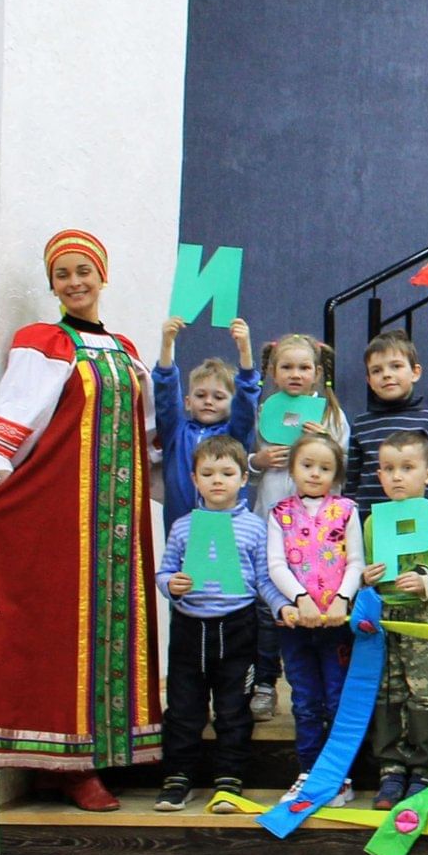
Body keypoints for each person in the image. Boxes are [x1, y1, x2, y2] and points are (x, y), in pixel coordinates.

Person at [0, 231, 161, 811]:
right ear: (53, 286)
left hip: (120, 521)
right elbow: (15, 412)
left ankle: (105, 752)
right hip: (65, 512)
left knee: (114, 628)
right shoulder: (44, 342)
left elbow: (147, 433)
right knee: (65, 630)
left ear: (102, 276)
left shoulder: (126, 350)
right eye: (62, 275)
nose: (74, 282)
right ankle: (69, 766)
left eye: (83, 271)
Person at [153, 437, 288, 812]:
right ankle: (178, 778)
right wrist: (171, 585)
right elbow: (165, 572)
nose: (217, 480)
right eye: (208, 473)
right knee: (183, 708)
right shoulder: (183, 527)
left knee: (233, 708)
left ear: (243, 479)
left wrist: (283, 607)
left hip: (238, 628)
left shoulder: (255, 528)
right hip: (189, 629)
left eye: (227, 473)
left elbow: (264, 580)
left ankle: (229, 779)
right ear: (194, 479)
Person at [247, 332, 347, 724]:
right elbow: (244, 463)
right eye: (286, 367)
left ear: (317, 373)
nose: (295, 374)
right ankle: (265, 682)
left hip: (318, 534)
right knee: (268, 605)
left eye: (304, 367)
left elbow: (344, 466)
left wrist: (326, 444)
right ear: (273, 373)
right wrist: (257, 460)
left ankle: (321, 686)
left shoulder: (331, 415)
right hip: (271, 522)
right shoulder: (264, 411)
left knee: (313, 601)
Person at [359, 431, 428, 811]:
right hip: (385, 618)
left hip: (427, 617)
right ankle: (390, 770)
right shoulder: (373, 523)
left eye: (407, 468)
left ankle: (423, 769)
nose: (397, 476)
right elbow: (362, 568)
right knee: (388, 692)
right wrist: (365, 578)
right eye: (388, 469)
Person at [267, 433, 363, 808]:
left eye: (325, 468)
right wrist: (300, 599)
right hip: (296, 627)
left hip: (336, 625)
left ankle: (340, 776)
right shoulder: (279, 513)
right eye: (307, 465)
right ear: (292, 469)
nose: (314, 473)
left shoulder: (347, 510)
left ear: (335, 475)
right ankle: (308, 772)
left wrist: (342, 599)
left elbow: (355, 562)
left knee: (337, 699)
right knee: (305, 700)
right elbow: (276, 565)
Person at [152, 316, 259, 535]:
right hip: (180, 530)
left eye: (218, 397)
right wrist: (167, 345)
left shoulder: (234, 435)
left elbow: (247, 402)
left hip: (227, 532)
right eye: (200, 395)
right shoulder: (175, 432)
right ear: (187, 402)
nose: (208, 401)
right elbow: (165, 396)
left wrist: (245, 351)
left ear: (232, 403)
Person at [347, 328, 428, 513]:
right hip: (369, 520)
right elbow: (352, 480)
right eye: (377, 370)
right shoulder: (360, 424)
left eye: (396, 366)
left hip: (419, 519)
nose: (386, 374)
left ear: (415, 372)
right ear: (369, 381)